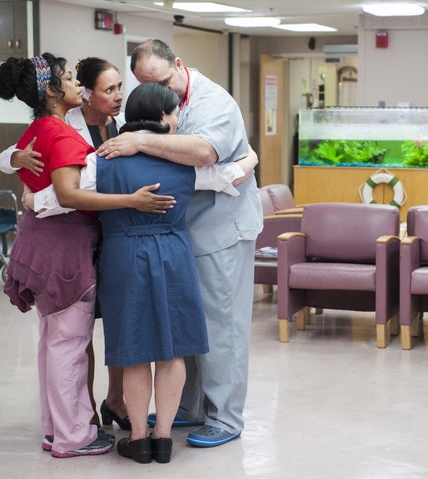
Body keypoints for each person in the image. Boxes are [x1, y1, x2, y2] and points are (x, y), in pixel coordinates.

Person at [96, 39, 263, 448]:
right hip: (179, 233)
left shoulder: (214, 102)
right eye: (148, 86)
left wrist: (139, 140)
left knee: (223, 327)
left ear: (180, 66)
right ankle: (187, 409)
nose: (162, 97)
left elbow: (205, 153)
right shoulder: (169, 108)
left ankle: (225, 418)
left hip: (222, 230)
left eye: (164, 82)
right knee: (188, 328)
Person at [0, 52, 155, 458]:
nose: (75, 84)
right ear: (50, 91)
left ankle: (56, 429)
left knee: (54, 343)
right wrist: (130, 200)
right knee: (69, 345)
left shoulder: (39, 128)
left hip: (41, 244)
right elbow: (68, 193)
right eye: (67, 78)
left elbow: (43, 182)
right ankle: (73, 437)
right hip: (64, 250)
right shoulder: (62, 134)